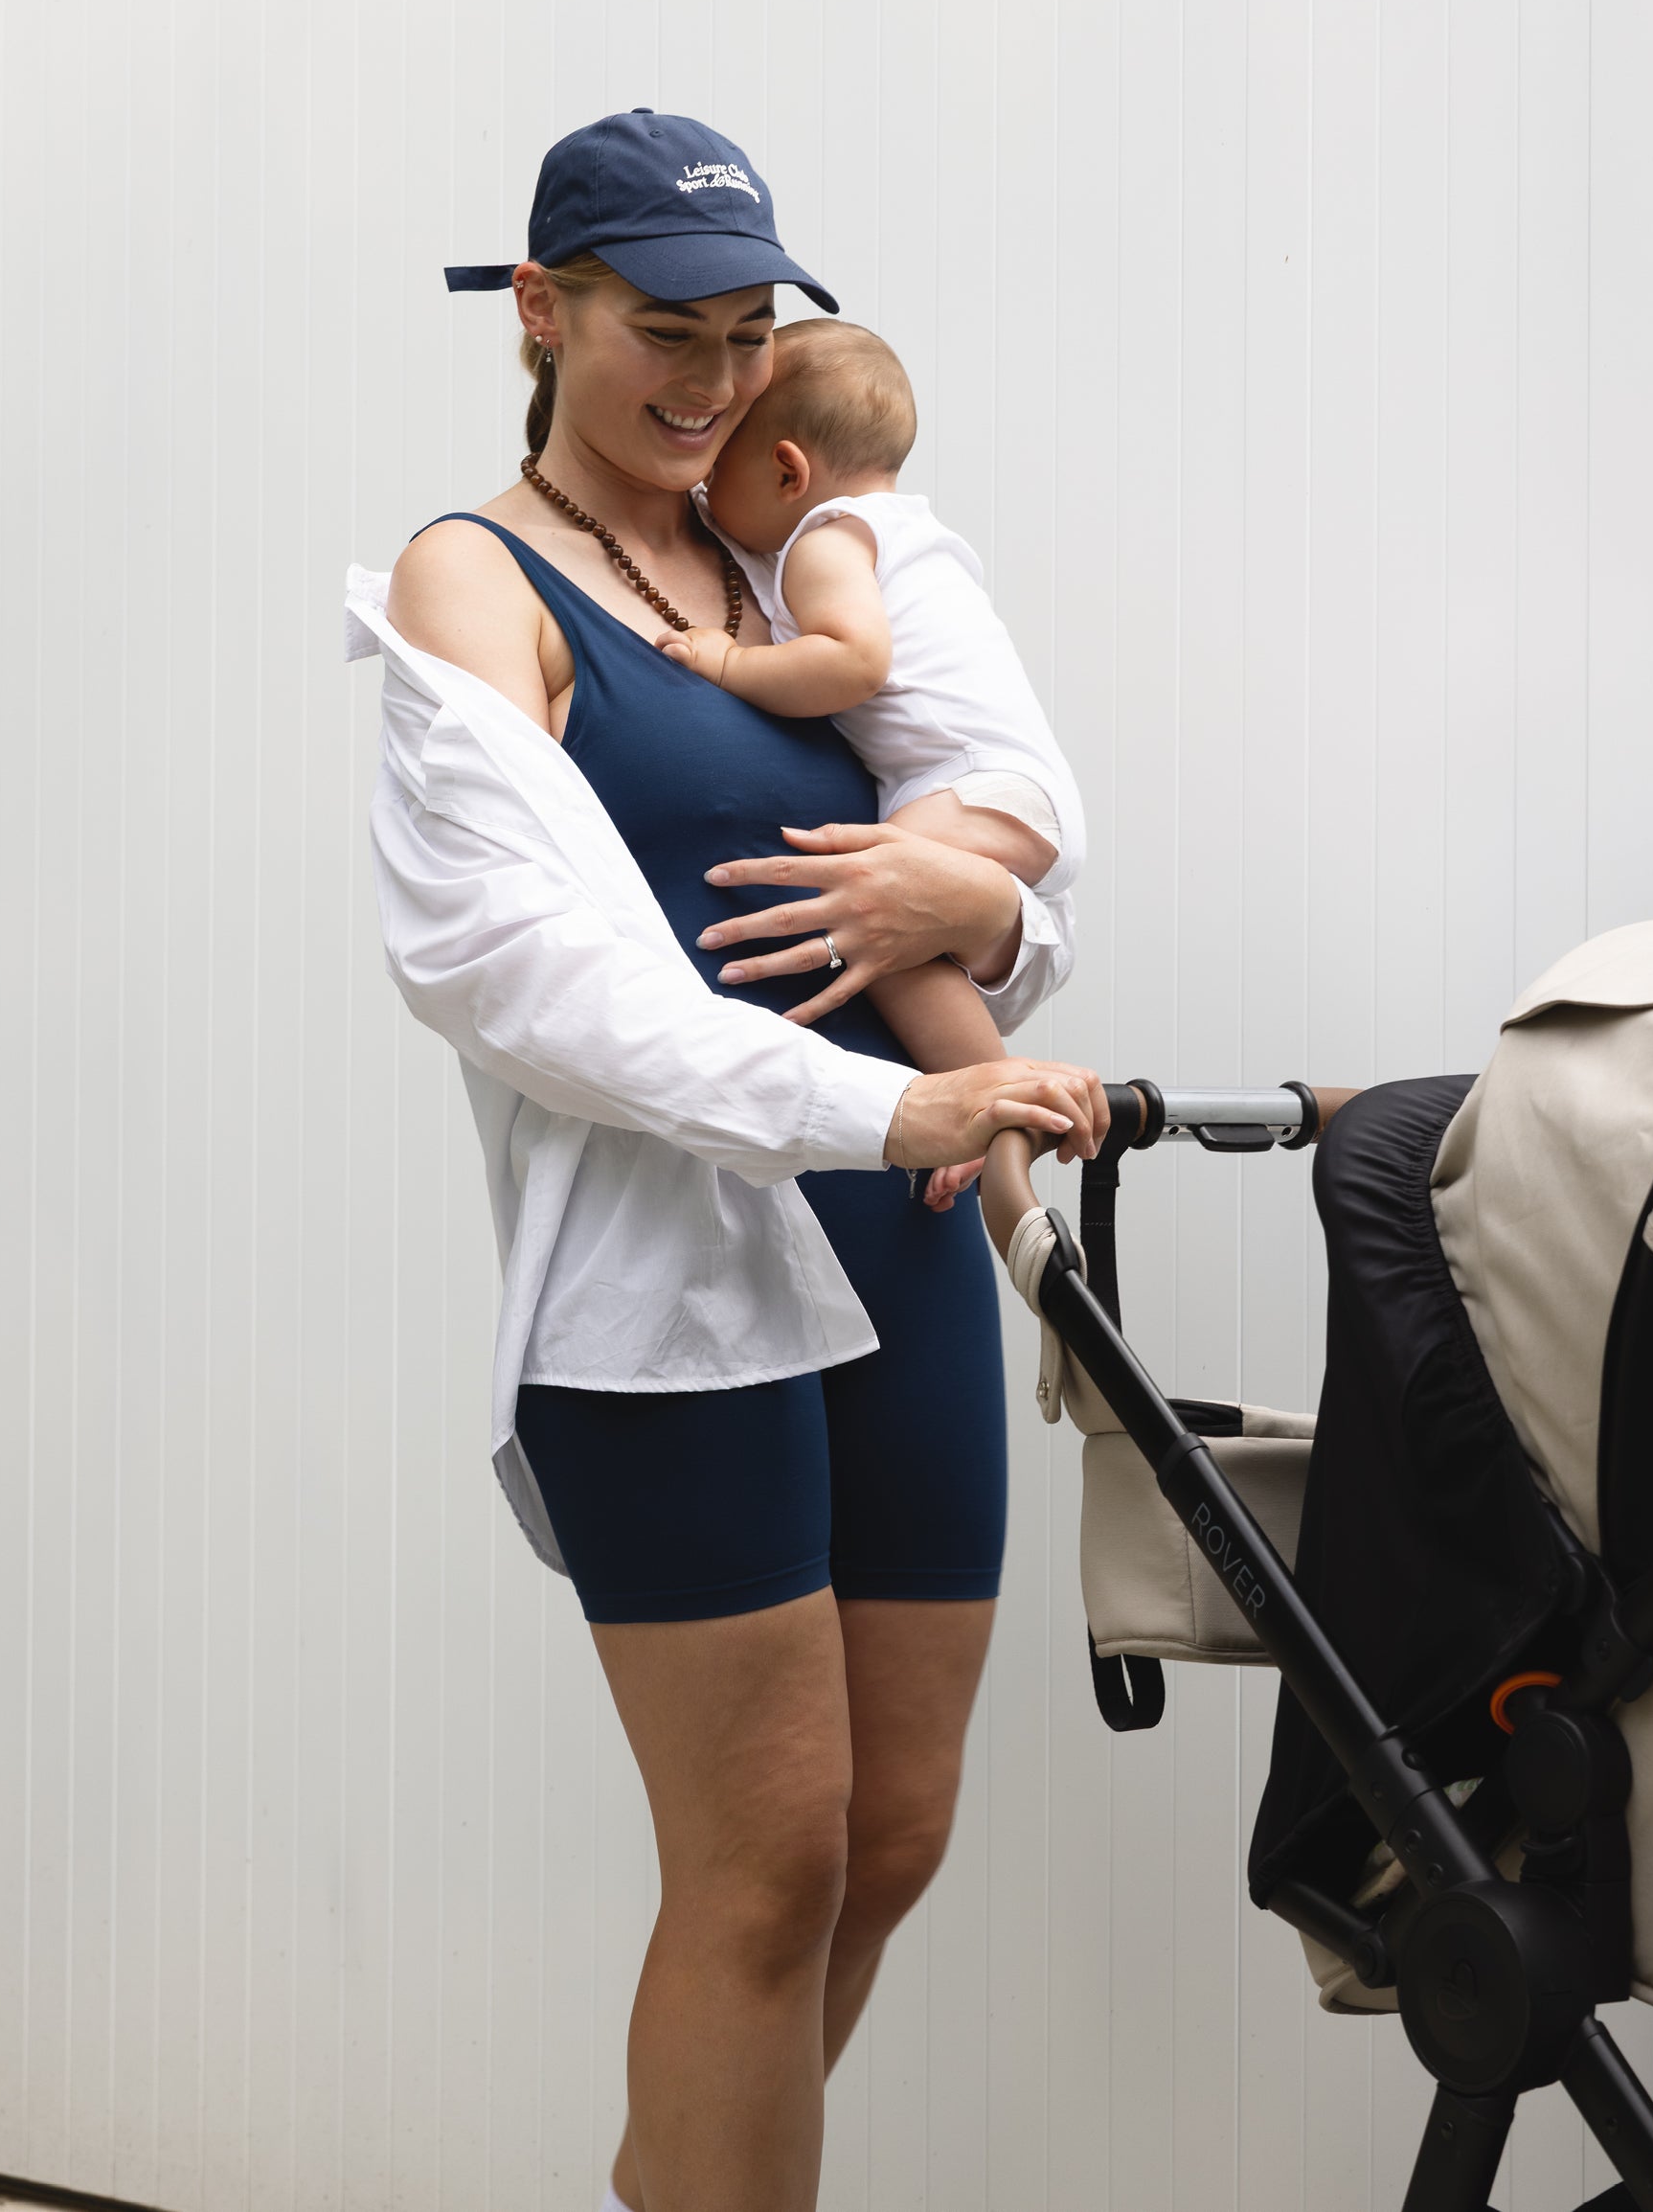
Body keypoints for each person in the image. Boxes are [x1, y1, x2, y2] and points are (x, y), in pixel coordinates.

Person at [351, 108, 1104, 2212]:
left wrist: (971, 926)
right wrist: (895, 1099)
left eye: (745, 329)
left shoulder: (795, 550)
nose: (709, 379)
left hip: (909, 1234)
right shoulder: (472, 581)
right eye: (659, 330)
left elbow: (1004, 843)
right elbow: (522, 983)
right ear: (537, 308)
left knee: (890, 1841)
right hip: (676, 1296)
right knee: (765, 1861)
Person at [661, 315, 1084, 1209]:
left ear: (786, 470)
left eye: (719, 467)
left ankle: (994, 1093)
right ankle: (991, 1092)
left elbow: (854, 661)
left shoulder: (825, 540)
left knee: (874, 905)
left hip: (968, 782)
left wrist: (727, 661)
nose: (701, 491)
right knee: (898, 927)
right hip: (1010, 786)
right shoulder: (900, 527)